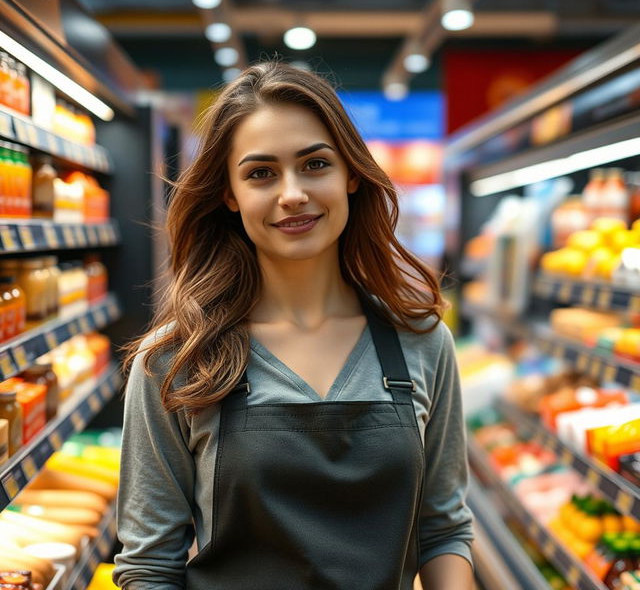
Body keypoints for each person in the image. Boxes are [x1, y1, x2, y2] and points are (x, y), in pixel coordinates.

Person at [113, 61, 474, 590]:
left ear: (351, 173)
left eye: (314, 164)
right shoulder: (175, 359)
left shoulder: (420, 341)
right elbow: (148, 566)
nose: (291, 194)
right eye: (261, 173)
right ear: (229, 195)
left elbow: (442, 530)